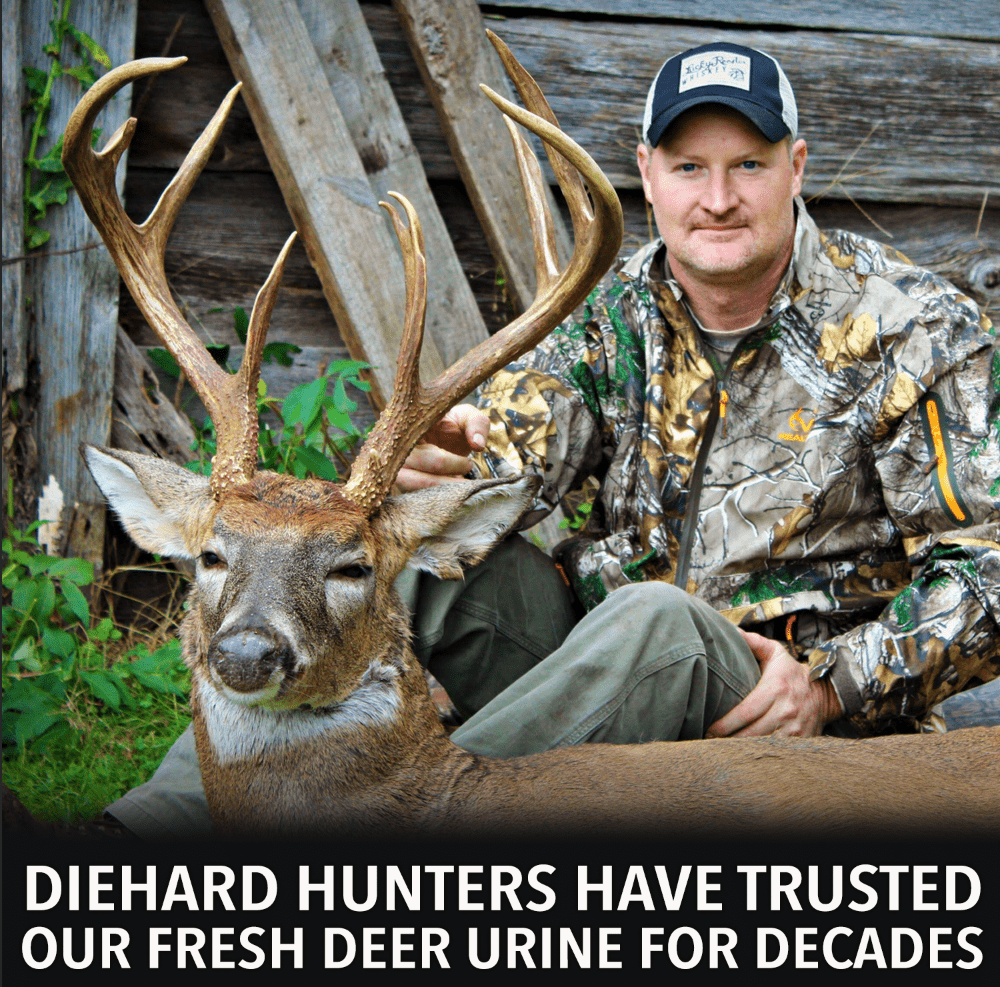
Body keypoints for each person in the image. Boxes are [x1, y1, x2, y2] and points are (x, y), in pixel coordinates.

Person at [105, 42, 998, 838]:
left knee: (659, 621)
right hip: (603, 662)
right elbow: (511, 458)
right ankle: (142, 834)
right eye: (689, 167)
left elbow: (990, 569)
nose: (718, 199)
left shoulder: (915, 327)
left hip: (778, 708)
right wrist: (450, 463)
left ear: (795, 167)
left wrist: (833, 684)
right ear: (647, 173)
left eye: (749, 166)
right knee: (383, 557)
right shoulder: (612, 315)